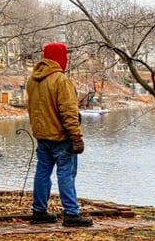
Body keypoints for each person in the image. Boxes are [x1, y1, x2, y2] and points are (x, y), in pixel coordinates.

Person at [26, 42, 93, 227]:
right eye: (65, 56)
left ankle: (39, 211)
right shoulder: (61, 80)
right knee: (66, 174)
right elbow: (69, 113)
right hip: (61, 137)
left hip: (42, 136)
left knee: (42, 173)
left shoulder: (32, 80)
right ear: (60, 58)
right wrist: (76, 138)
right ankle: (71, 214)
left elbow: (33, 109)